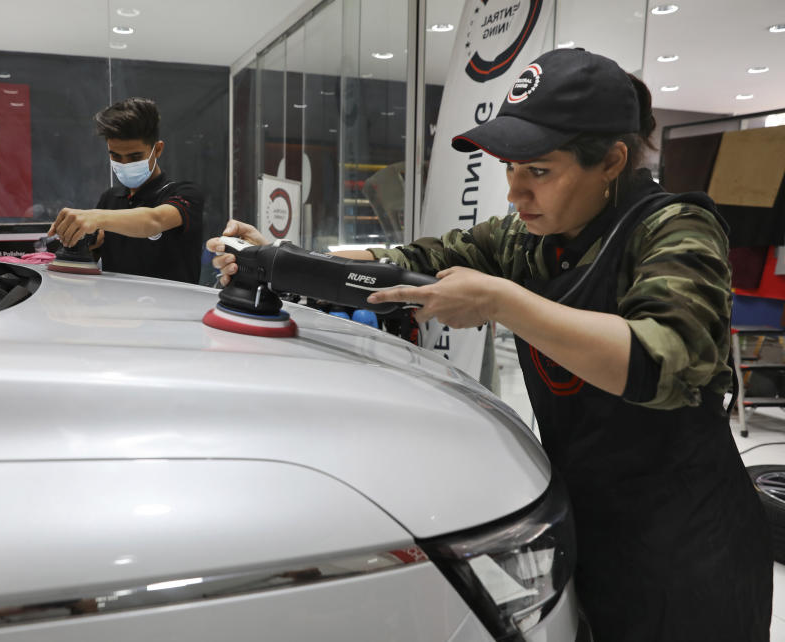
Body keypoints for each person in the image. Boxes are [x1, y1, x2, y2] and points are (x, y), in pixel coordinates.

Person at [209, 48, 773, 641]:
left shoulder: (673, 227)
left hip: (686, 542)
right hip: (589, 519)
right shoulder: (526, 239)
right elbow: (408, 265)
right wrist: (282, 262)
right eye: (509, 169)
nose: (516, 193)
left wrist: (503, 302)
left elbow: (666, 359)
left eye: (539, 172)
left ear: (611, 160)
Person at [48, 97, 205, 283]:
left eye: (135, 156)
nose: (124, 163)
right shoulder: (110, 198)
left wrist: (95, 217)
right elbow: (93, 260)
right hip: (118, 308)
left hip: (172, 310)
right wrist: (85, 243)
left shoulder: (185, 193)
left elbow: (154, 220)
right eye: (115, 155)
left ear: (157, 150)